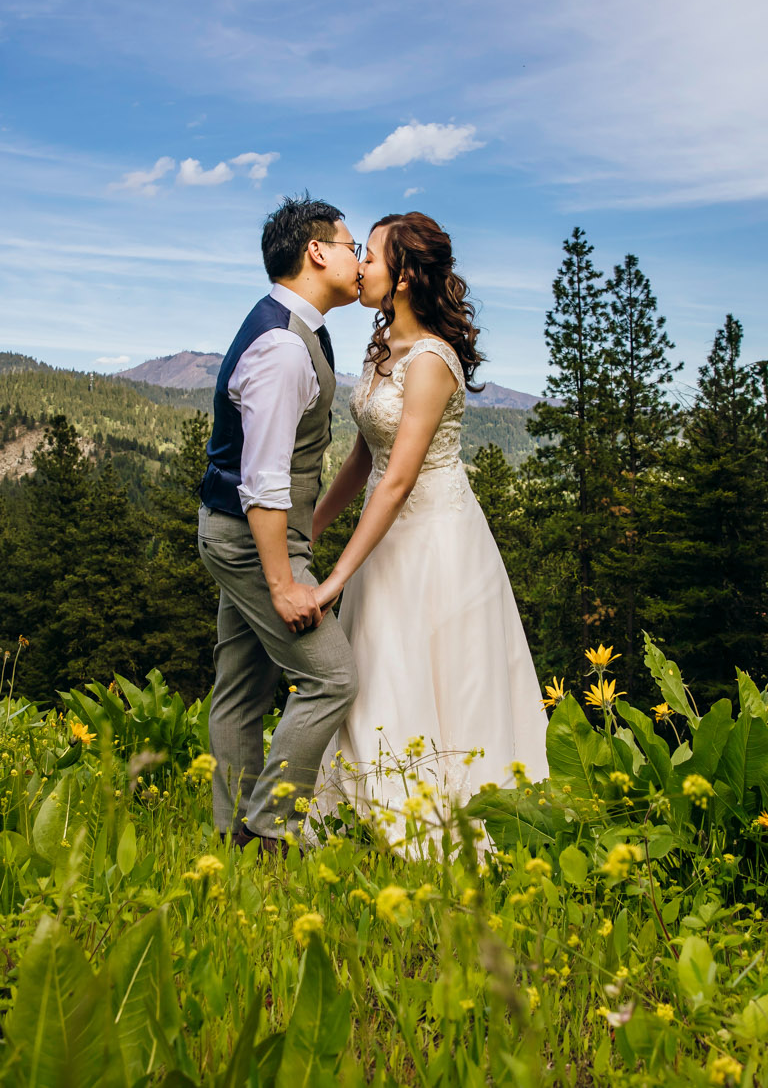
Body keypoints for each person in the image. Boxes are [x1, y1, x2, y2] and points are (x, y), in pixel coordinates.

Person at [310, 212, 549, 854]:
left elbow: (399, 479)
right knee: (379, 664)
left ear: (406, 276)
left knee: (439, 672)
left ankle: (445, 821)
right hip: (384, 532)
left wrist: (337, 575)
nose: (360, 266)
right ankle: (367, 812)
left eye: (373, 257)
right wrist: (310, 527)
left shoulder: (434, 359)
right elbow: (363, 463)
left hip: (436, 536)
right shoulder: (380, 348)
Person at [199, 194, 363, 855]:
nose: (360, 259)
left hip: (244, 535)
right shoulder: (282, 347)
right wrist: (284, 582)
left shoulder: (298, 329)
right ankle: (271, 829)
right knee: (332, 677)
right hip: (250, 541)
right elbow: (262, 479)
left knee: (242, 686)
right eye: (352, 245)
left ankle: (232, 835)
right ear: (317, 251)